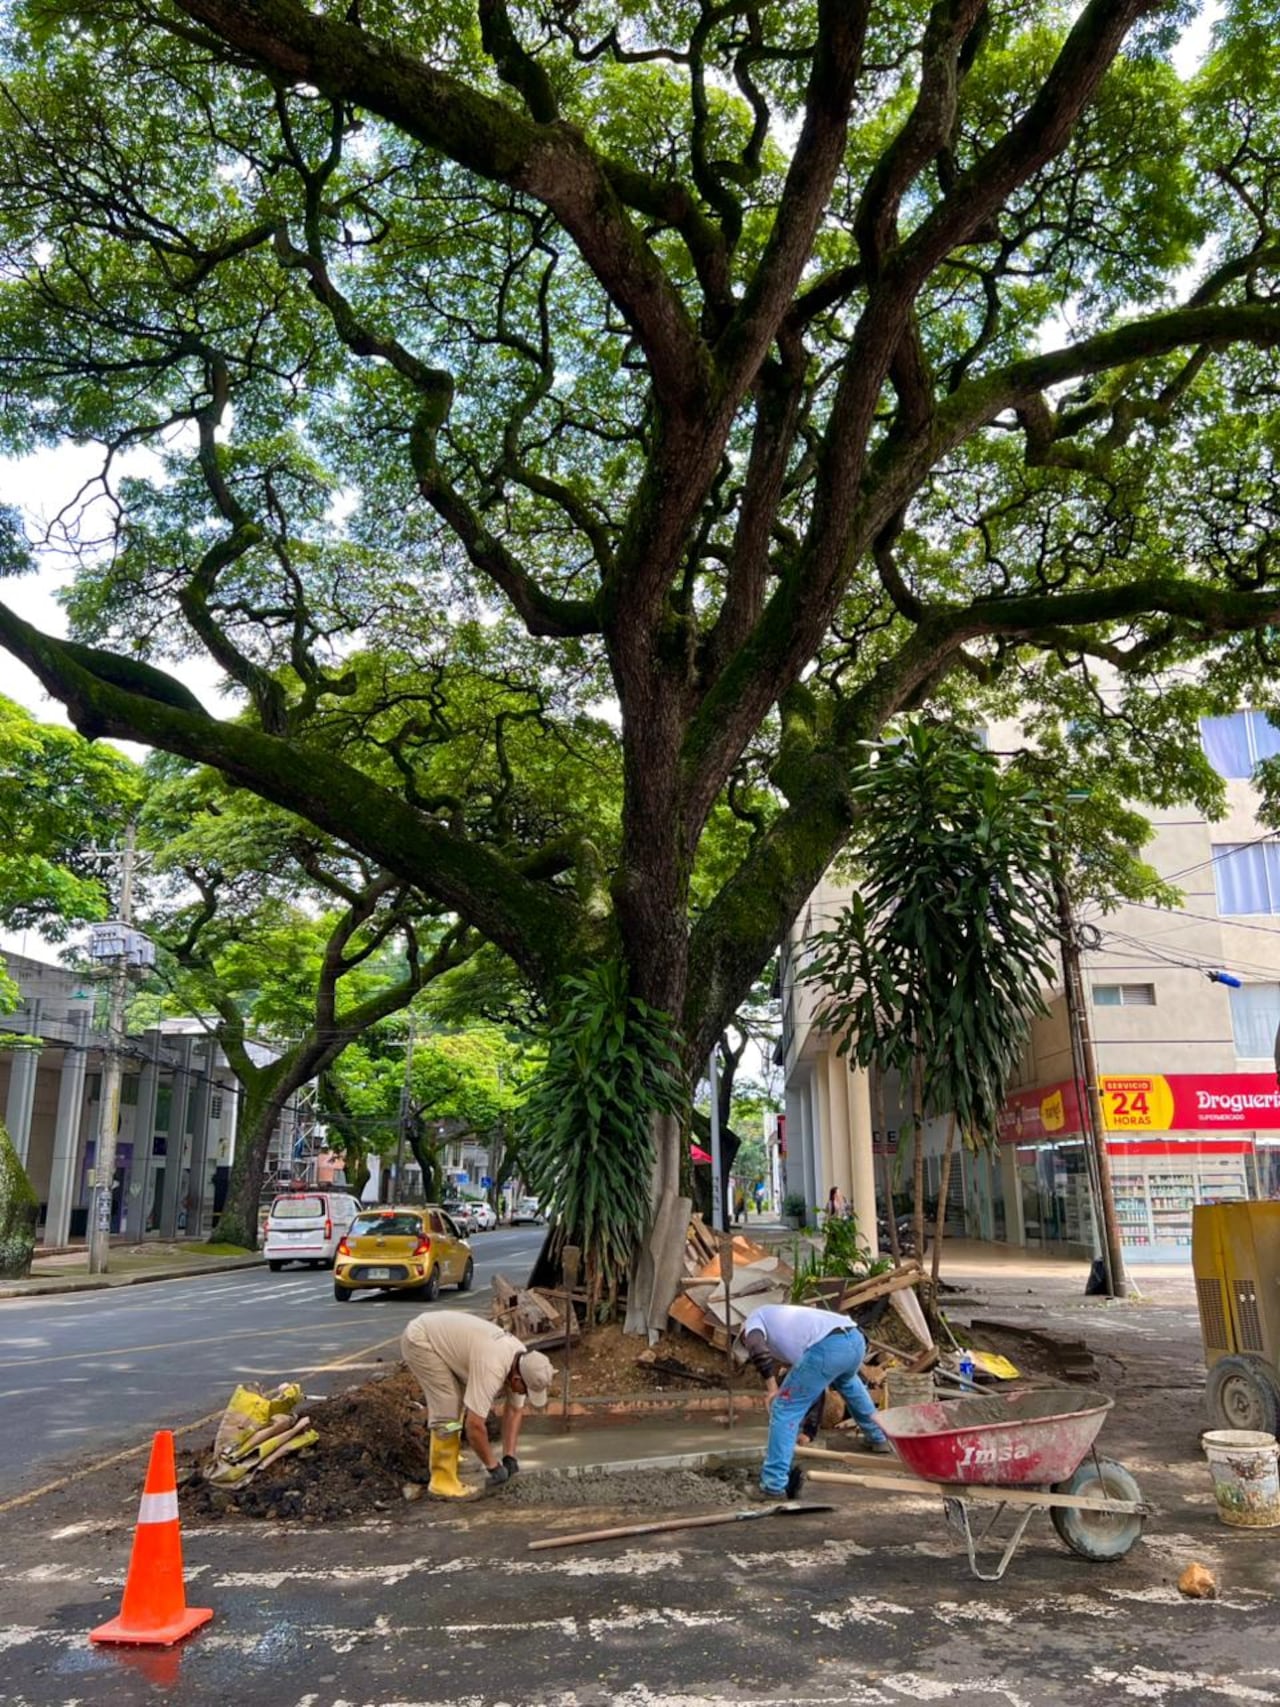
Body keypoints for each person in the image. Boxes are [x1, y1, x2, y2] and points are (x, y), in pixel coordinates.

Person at [740, 1302, 892, 1499]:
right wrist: (809, 1432)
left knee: (784, 1407)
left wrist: (772, 1389)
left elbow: (755, 1346)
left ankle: (773, 1484)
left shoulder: (755, 1318)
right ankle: (878, 1438)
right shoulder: (787, 1329)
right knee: (848, 1383)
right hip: (855, 1339)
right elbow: (814, 1388)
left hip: (829, 1346)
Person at [400, 1309, 555, 1499]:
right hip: (421, 1340)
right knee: (448, 1403)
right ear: (516, 1378)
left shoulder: (523, 1362)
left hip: (447, 1340)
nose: (524, 1394)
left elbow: (515, 1410)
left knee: (461, 1399)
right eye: (525, 1390)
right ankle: (442, 1481)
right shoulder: (493, 1366)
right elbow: (474, 1426)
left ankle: (450, 1455)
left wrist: (509, 1456)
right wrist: (492, 1465)